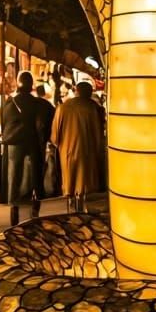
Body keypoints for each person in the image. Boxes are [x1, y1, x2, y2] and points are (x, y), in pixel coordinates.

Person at [50, 81, 104, 213]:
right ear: (89, 93)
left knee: (70, 183)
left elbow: (55, 137)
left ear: (76, 91)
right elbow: (99, 136)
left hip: (67, 153)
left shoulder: (63, 108)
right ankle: (83, 208)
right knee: (84, 183)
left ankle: (71, 207)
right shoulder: (94, 108)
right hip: (88, 153)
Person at [0, 70, 44, 223]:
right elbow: (41, 125)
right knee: (35, 174)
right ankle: (35, 205)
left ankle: (14, 206)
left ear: (18, 84)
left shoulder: (9, 102)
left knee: (14, 174)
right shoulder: (37, 103)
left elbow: (4, 123)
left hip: (14, 142)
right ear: (31, 85)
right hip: (32, 141)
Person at [35, 82, 57, 197]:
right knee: (42, 162)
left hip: (34, 137)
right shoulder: (48, 104)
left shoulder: (34, 103)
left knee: (36, 163)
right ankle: (41, 189)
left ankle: (37, 189)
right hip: (44, 137)